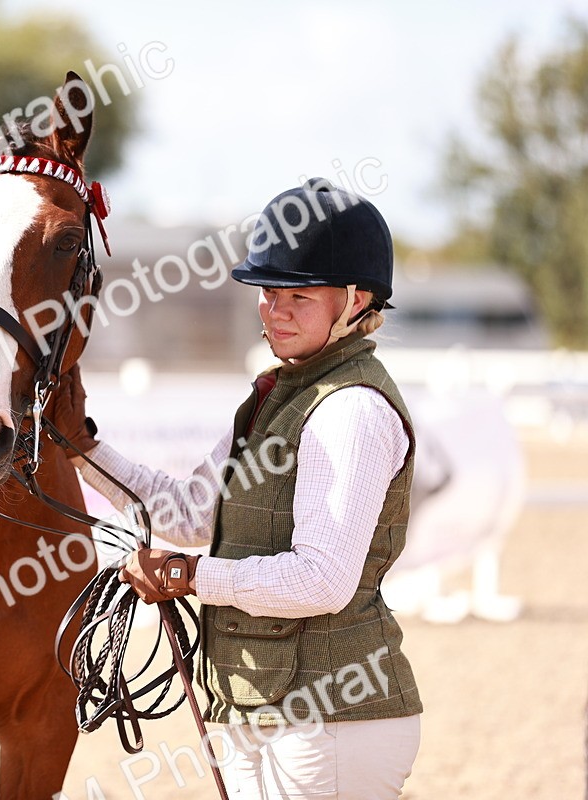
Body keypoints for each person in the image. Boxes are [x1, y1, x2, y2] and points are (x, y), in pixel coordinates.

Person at [54, 178, 423, 799]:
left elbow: (322, 581)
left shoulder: (351, 409)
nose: (275, 310)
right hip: (259, 708)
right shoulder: (275, 396)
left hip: (333, 722)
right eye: (268, 292)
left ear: (356, 301)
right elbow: (189, 513)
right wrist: (83, 450)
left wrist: (189, 576)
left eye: (298, 295)